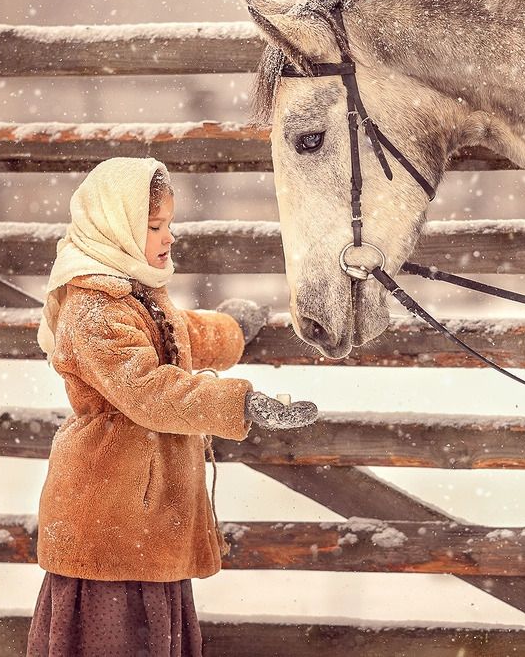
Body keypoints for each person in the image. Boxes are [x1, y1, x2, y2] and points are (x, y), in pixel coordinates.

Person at [26, 156, 318, 656]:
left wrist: (233, 330)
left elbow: (179, 336)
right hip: (112, 517)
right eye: (155, 225)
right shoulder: (92, 306)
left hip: (146, 518)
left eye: (170, 225)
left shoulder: (134, 292)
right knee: (115, 639)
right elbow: (149, 390)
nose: (169, 237)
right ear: (114, 225)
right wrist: (241, 402)